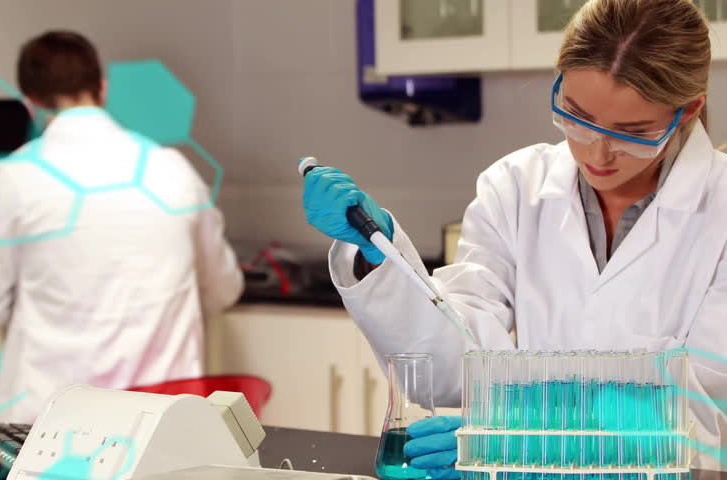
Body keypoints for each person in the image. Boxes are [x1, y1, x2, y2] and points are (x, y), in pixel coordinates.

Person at [302, 0, 726, 474]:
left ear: (687, 111)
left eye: (632, 133)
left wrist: (525, 439)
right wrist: (380, 256)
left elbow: (706, 416)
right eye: (577, 117)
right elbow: (456, 361)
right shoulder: (516, 187)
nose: (597, 154)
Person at [0, 31, 244, 423]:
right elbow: (223, 289)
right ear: (102, 90)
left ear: (30, 104)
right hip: (161, 428)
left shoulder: (14, 178)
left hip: (51, 431)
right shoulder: (174, 170)